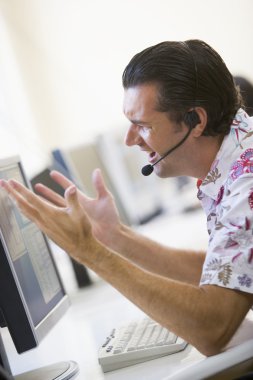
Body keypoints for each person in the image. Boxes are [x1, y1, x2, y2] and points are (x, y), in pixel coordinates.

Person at [1, 39, 253, 358]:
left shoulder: (247, 176)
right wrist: (115, 237)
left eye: (142, 126)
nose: (130, 139)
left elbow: (212, 328)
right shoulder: (236, 158)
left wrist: (90, 252)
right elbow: (227, 271)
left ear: (195, 121)